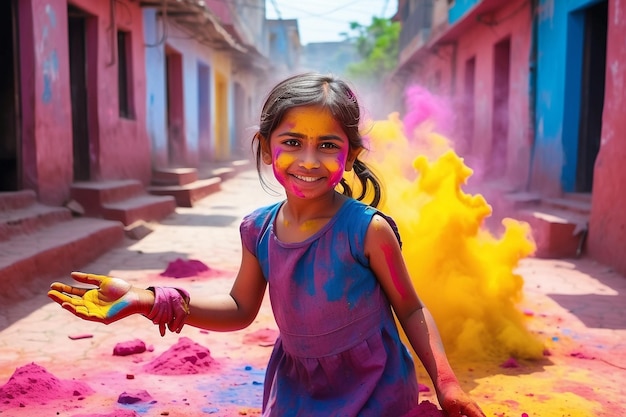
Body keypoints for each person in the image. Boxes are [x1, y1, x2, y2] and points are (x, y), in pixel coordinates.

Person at [48, 73, 485, 417]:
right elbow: (240, 308)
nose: (309, 161)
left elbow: (409, 308)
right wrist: (149, 300)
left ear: (350, 156)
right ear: (265, 148)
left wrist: (446, 382)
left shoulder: (368, 230)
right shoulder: (257, 229)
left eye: (328, 146)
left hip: (375, 391)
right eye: (293, 142)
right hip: (296, 392)